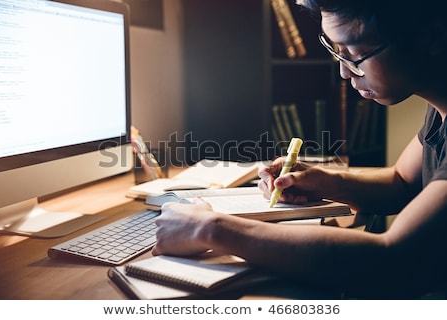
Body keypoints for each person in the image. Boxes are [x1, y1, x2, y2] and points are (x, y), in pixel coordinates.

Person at [153, 0, 447, 298]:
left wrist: (210, 229)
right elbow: (403, 182)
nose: (345, 73)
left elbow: (394, 261)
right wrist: (325, 181)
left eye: (355, 55)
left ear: (431, 38)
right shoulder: (439, 109)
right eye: (336, 52)